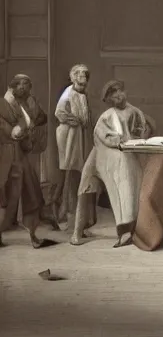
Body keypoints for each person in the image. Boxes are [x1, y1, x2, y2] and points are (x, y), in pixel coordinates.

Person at [70, 80, 155, 248]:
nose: (117, 95)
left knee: (127, 188)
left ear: (125, 92)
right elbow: (104, 136)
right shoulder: (107, 116)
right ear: (108, 99)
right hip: (98, 155)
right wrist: (121, 141)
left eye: (119, 91)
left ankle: (126, 231)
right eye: (112, 94)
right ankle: (76, 233)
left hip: (119, 158)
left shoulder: (135, 112)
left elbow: (143, 130)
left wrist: (141, 136)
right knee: (85, 190)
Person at [0, 74, 58, 248]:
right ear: (13, 87)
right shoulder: (4, 104)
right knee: (6, 194)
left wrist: (30, 124)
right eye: (22, 85)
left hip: (20, 154)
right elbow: (10, 130)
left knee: (31, 192)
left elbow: (42, 117)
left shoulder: (28, 103)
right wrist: (17, 129)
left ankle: (33, 235)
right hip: (6, 154)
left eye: (28, 85)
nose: (26, 89)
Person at [54, 64, 95, 231]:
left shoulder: (82, 95)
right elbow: (59, 112)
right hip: (69, 135)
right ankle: (66, 217)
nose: (82, 78)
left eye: (85, 75)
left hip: (81, 135)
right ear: (73, 77)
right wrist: (74, 121)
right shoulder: (68, 93)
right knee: (70, 172)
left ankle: (80, 220)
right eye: (79, 75)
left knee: (80, 172)